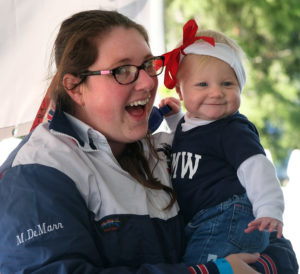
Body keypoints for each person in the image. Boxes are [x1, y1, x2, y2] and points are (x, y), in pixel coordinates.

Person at [0, 10, 297, 274]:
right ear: (75, 87)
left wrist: (262, 265)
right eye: (122, 70)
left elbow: (277, 248)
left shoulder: (162, 150)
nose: (147, 82)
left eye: (148, 64)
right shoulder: (37, 171)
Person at [158, 19, 285, 265]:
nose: (216, 92)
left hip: (229, 219)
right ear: (181, 92)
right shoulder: (190, 125)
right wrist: (174, 119)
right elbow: (193, 143)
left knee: (199, 269)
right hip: (205, 221)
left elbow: (257, 167)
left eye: (227, 83)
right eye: (202, 85)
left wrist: (269, 209)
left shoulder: (232, 130)